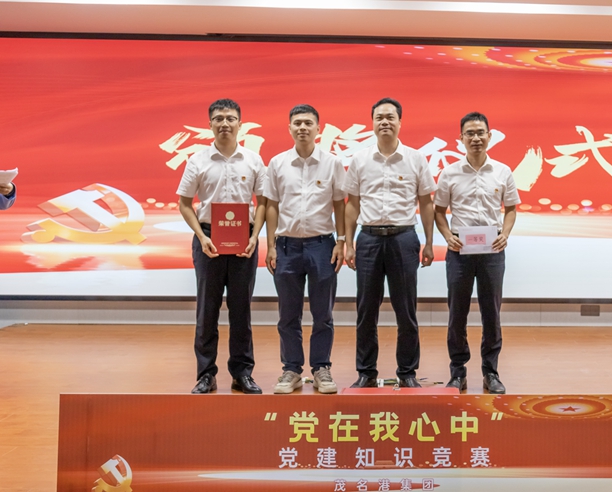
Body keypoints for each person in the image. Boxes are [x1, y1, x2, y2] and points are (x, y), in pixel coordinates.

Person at [343, 97, 436, 388]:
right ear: (372, 123)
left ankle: (407, 373)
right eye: (379, 118)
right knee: (365, 311)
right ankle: (366, 372)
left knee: (406, 311)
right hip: (369, 239)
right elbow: (352, 204)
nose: (385, 122)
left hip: (403, 239)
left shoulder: (415, 158)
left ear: (399, 122)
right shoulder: (360, 159)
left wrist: (429, 242)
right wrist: (348, 243)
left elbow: (426, 202)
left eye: (390, 117)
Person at [176, 98, 266, 395]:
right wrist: (201, 237)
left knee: (241, 311)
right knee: (207, 311)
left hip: (244, 244)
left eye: (230, 118)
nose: (224, 123)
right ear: (210, 124)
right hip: (208, 242)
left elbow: (263, 202)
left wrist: (255, 236)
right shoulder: (197, 161)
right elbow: (184, 203)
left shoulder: (253, 160)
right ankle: (206, 375)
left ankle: (242, 374)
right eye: (218, 119)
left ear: (240, 123)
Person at [434, 112, 520, 394]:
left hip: (492, 251)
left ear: (489, 136)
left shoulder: (502, 171)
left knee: (491, 314)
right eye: (469, 133)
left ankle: (490, 372)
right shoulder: (450, 173)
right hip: (460, 251)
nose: (475, 138)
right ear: (461, 138)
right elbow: (439, 211)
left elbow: (511, 209)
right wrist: (447, 236)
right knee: (457, 313)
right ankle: (457, 372)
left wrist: (505, 234)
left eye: (480, 132)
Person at [264, 104, 346, 395]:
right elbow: (271, 205)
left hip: (322, 246)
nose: (302, 128)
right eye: (297, 123)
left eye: (308, 123)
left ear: (318, 128)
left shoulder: (332, 163)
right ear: (289, 128)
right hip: (286, 246)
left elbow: (339, 204)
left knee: (323, 313)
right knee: (288, 314)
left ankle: (321, 368)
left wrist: (341, 240)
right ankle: (291, 370)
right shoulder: (277, 163)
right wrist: (270, 245)